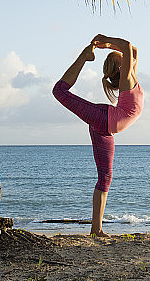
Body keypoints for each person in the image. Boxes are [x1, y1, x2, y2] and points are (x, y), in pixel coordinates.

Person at [52, 34, 144, 237]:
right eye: (122, 59)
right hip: (102, 119)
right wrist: (105, 40)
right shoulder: (126, 80)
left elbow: (133, 51)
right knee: (59, 91)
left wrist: (109, 46)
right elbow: (128, 46)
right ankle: (84, 56)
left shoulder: (131, 77)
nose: (128, 59)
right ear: (121, 68)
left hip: (106, 128)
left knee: (106, 178)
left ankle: (96, 229)